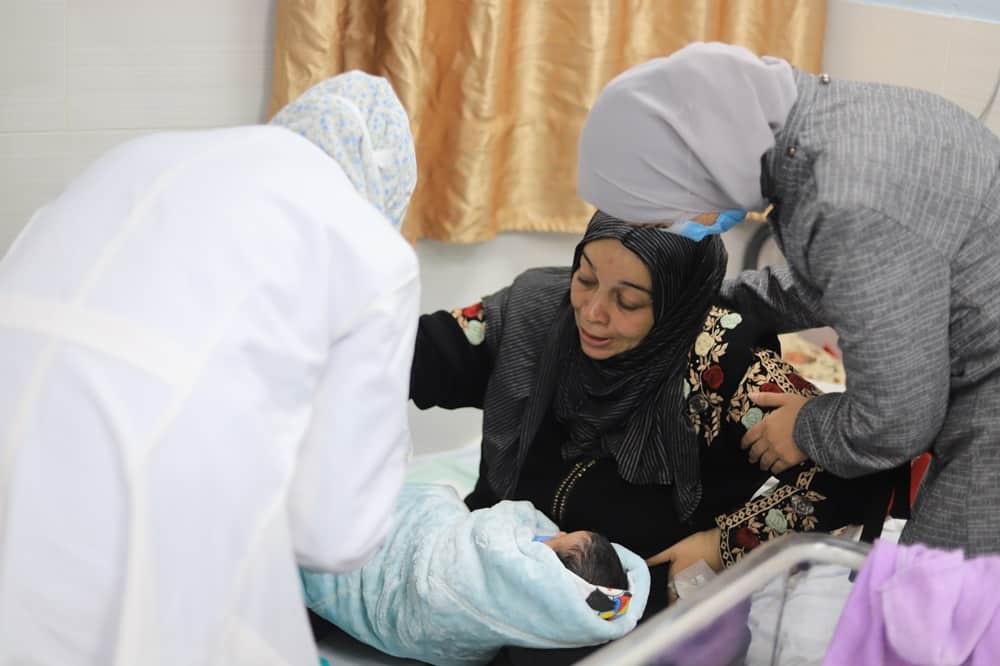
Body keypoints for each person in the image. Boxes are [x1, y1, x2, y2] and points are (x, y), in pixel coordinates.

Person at [0, 71, 419, 665]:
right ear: (388, 188)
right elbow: (332, 534)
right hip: (141, 492)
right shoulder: (373, 250)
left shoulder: (142, 154)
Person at [410, 209, 897, 664]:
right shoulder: (535, 310)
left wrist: (721, 544)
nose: (593, 312)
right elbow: (424, 351)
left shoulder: (721, 359)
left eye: (628, 301)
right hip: (491, 570)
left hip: (622, 608)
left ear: (674, 303)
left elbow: (854, 469)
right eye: (586, 278)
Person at [576, 41, 1000, 556]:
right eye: (585, 280)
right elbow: (845, 281)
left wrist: (807, 426)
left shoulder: (849, 202)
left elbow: (895, 423)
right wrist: (709, 299)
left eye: (663, 218)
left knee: (942, 609)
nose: (597, 314)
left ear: (698, 161)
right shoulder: (844, 126)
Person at [301, 482, 647, 665]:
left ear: (553, 574)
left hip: (415, 582)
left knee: (426, 503)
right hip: (436, 645)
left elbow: (496, 526)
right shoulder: (559, 611)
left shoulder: (511, 568)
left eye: (559, 542)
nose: (554, 533)